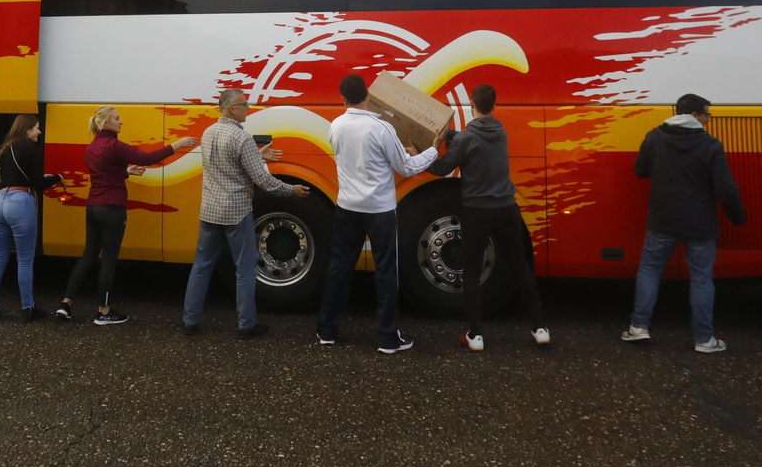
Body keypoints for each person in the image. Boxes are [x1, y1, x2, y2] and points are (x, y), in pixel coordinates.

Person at [317, 74, 439, 353]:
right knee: (385, 272)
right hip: (380, 210)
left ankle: (327, 331)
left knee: (339, 269)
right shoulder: (382, 128)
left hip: (347, 207)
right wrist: (432, 150)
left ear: (342, 98)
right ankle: (387, 338)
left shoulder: (335, 126)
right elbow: (406, 167)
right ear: (368, 95)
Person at [426, 83, 549, 351]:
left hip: (477, 211)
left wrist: (421, 154)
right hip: (506, 208)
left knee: (470, 272)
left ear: (472, 105)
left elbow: (442, 167)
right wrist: (451, 136)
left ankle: (475, 335)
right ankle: (539, 328)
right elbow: (468, 142)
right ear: (494, 106)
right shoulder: (500, 131)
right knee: (520, 266)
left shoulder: (467, 138)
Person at [182, 90, 311, 339]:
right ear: (231, 109)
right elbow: (264, 181)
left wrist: (256, 155)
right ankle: (246, 325)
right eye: (244, 105)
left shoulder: (208, 133)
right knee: (244, 268)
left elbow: (224, 163)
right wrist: (291, 191)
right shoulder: (241, 139)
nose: (248, 108)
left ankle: (190, 320)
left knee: (201, 266)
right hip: (235, 212)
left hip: (209, 210)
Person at [624, 93, 746, 353]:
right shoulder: (710, 145)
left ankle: (638, 328)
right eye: (706, 115)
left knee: (650, 270)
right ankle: (704, 339)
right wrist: (738, 217)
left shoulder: (654, 137)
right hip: (699, 223)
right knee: (701, 279)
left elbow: (639, 170)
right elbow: (726, 189)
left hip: (662, 219)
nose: (707, 120)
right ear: (693, 115)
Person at [57, 106, 196, 325]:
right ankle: (104, 312)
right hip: (112, 208)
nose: (121, 122)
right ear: (105, 123)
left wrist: (126, 173)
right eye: (117, 118)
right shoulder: (115, 145)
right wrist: (177, 145)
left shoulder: (92, 147)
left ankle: (66, 304)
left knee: (88, 255)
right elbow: (148, 158)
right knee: (109, 259)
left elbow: (105, 174)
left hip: (93, 206)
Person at [0, 114, 62, 323]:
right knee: (25, 259)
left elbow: (19, 176)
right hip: (20, 202)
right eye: (36, 128)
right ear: (27, 130)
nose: (39, 131)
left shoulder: (5, 149)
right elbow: (38, 183)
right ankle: (28, 308)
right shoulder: (32, 150)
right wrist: (57, 178)